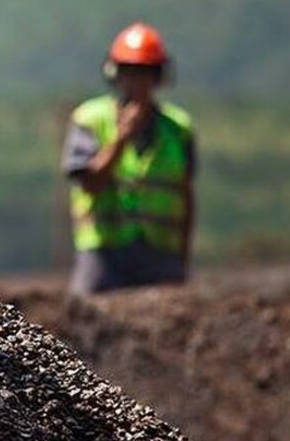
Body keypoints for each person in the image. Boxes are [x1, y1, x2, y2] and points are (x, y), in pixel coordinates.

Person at [61, 22, 197, 295]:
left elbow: (186, 197)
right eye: (130, 73)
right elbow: (90, 183)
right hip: (103, 255)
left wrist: (181, 261)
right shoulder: (90, 119)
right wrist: (121, 138)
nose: (137, 82)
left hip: (160, 257)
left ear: (158, 76)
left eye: (145, 73)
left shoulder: (178, 129)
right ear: (116, 74)